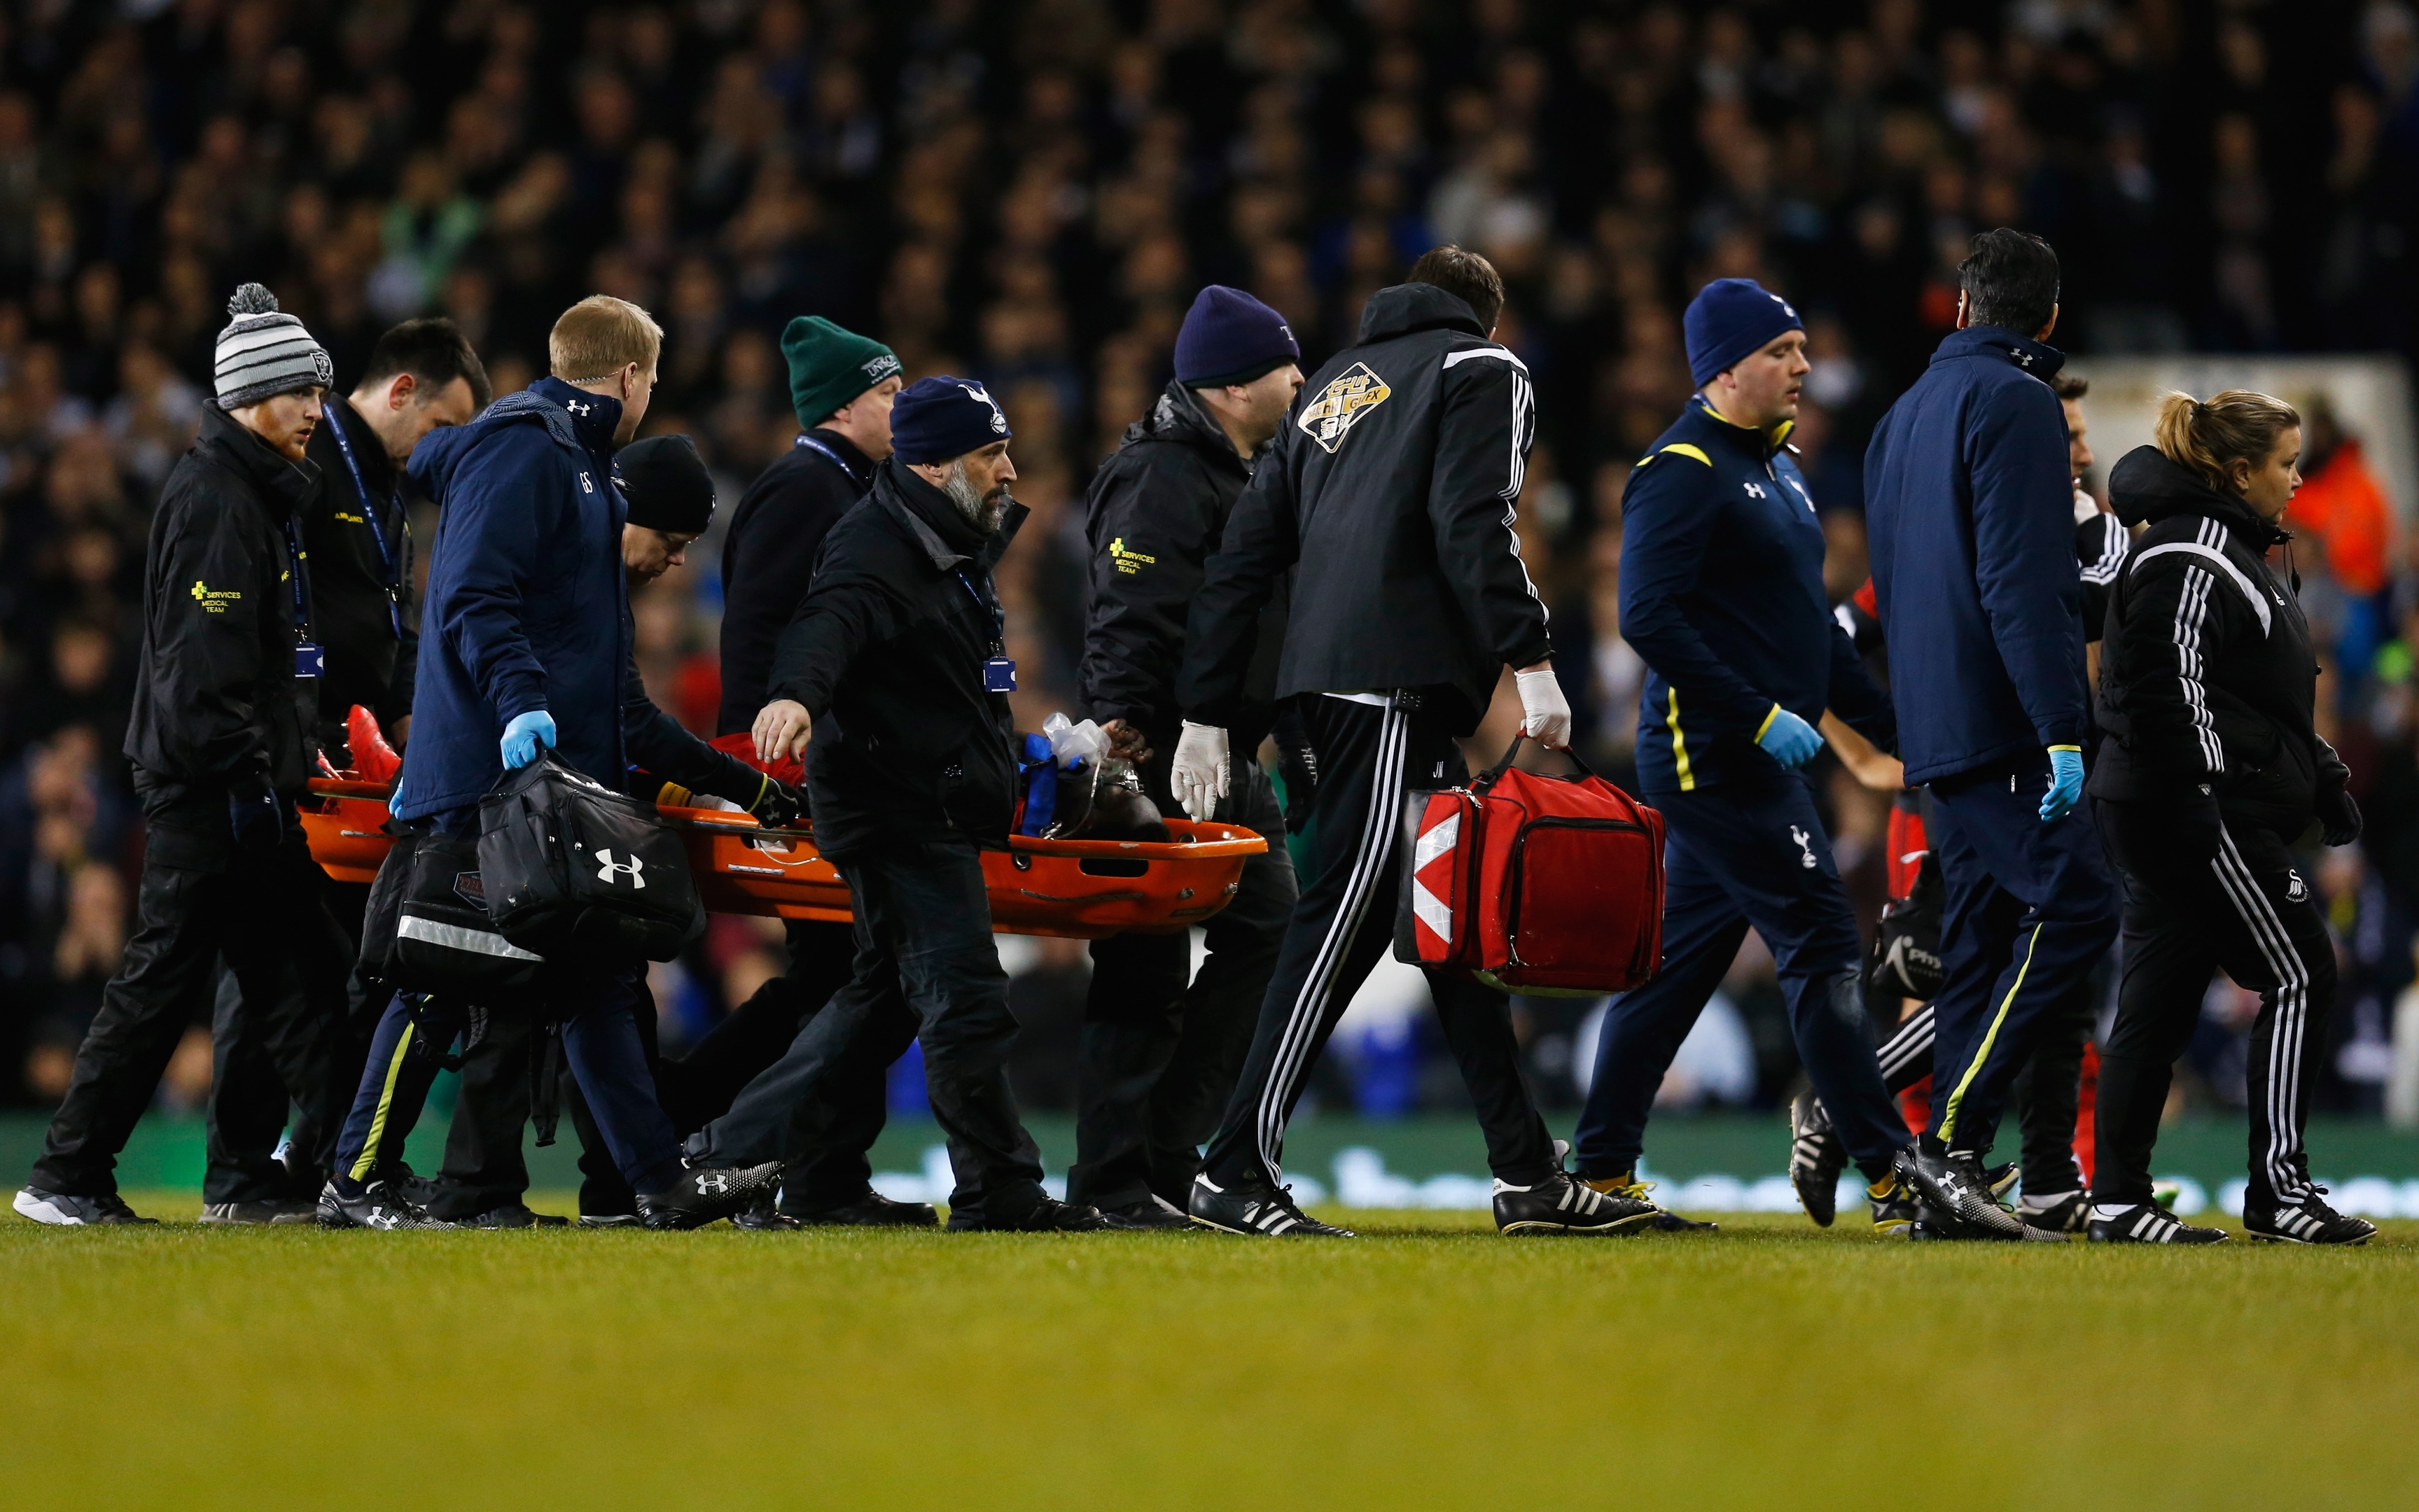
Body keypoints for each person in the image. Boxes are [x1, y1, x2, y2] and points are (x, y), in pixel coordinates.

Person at [1171, 246, 1653, 1239]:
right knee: (1340, 916)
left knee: (1450, 921)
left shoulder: (1330, 393)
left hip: (1325, 681)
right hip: (1390, 677)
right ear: (1485, 313)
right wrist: (1530, 661)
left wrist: (1208, 707)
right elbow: (1471, 519)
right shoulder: (1482, 367)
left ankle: (1524, 1171)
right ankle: (1232, 1169)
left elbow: (1245, 560)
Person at [319, 295, 778, 1231]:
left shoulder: (586, 474)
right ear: (628, 377)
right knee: (444, 979)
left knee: (598, 982)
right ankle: (353, 1182)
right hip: (491, 786)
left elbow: (613, 699)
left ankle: (658, 1186)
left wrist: (751, 785)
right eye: (651, 377)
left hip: (551, 797)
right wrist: (520, 705)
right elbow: (477, 600)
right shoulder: (523, 448)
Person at [1566, 278, 1913, 1232]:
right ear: (1721, 368)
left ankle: (1594, 1171)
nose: (1802, 367)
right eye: (1780, 351)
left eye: (1802, 349)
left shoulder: (1778, 467)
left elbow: (1814, 635)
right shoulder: (1679, 467)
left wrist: (1893, 732)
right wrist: (1758, 716)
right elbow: (1645, 615)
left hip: (1754, 756)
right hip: (1711, 757)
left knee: (1677, 967)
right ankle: (1891, 1175)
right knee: (1820, 945)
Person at [15, 285, 356, 1225]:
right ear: (255, 394)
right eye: (304, 396)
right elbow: (205, 674)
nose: (317, 415)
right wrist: (250, 786)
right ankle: (66, 1176)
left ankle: (329, 1181)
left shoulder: (245, 492)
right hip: (213, 790)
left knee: (300, 984)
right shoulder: (218, 499)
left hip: (232, 782)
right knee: (174, 986)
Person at [741, 377, 1109, 1233]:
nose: (1009, 471)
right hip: (899, 811)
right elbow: (824, 623)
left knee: (879, 1006)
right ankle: (1000, 1190)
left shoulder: (937, 542)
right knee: (967, 1000)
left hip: (922, 803)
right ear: (933, 460)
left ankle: (757, 1166)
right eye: (990, 456)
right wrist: (795, 695)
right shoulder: (876, 543)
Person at [1803, 368, 2126, 1235]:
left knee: (2019, 979)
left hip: (2034, 770)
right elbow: (1827, 640)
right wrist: (1867, 754)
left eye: (2081, 436)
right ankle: (1882, 1124)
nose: (2083, 451)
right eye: (2066, 437)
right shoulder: (1982, 539)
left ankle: (2039, 1177)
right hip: (1973, 781)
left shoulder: (2048, 525)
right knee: (1958, 978)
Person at [209, 316, 496, 1220]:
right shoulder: (307, 464)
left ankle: (315, 1160)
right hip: (290, 753)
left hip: (354, 765)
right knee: (270, 969)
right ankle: (237, 1174)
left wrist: (413, 723)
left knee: (344, 970)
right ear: (401, 390)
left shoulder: (385, 487)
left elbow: (388, 624)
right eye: (444, 426)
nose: (441, 449)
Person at [1862, 228, 2117, 1241]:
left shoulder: (1896, 418)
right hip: (2005, 722)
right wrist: (2058, 726)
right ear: (2047, 318)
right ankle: (1949, 1144)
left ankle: (1947, 1192)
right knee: (2077, 907)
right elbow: (2021, 580)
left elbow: (1900, 585)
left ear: (1960, 309)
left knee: (1972, 949)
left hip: (1932, 727)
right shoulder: (2016, 401)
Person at [2086, 391, 2374, 1245]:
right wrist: (2203, 798)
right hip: (2190, 811)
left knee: (2157, 1000)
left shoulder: (2227, 551)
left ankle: (2116, 1202)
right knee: (2297, 973)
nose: (2296, 480)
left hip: (2178, 804)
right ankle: (2279, 1193)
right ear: (2239, 471)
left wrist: (2318, 777)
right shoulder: (2191, 554)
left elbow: (2255, 699)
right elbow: (2168, 689)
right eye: (2286, 465)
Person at [681, 313, 926, 1229]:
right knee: (849, 975)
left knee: (842, 974)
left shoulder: (843, 486)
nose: (902, 406)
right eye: (888, 392)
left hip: (816, 768)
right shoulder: (800, 491)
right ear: (841, 406)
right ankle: (712, 1135)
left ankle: (808, 1172)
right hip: (793, 771)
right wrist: (771, 768)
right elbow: (768, 652)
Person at [1069, 285, 1304, 1226]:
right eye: (1285, 366)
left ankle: (1159, 1162)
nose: (1300, 379)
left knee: (1267, 933)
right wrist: (1126, 731)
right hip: (1167, 752)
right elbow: (1126, 615)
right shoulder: (1164, 473)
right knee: (1146, 967)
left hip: (1222, 751)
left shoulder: (1234, 469)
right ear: (1233, 386)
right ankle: (1122, 1180)